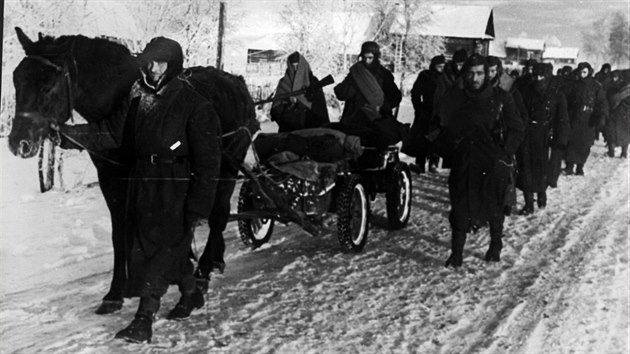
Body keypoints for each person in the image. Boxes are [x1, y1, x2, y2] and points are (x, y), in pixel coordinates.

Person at [59, 37, 221, 343]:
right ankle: (190, 293)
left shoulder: (193, 103)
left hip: (175, 184)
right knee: (155, 245)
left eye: (159, 62)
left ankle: (144, 319)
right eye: (147, 61)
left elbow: (209, 161)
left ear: (172, 66)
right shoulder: (136, 97)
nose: (151, 67)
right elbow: (110, 131)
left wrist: (199, 206)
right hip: (142, 180)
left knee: (160, 249)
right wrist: (67, 135)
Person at [434, 54, 524, 267]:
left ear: (487, 75)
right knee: (459, 207)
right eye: (471, 73)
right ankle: (456, 253)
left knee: (494, 207)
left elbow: (517, 128)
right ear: (464, 74)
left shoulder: (501, 98)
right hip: (464, 161)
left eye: (480, 73)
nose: (475, 78)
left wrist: (504, 154)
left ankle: (495, 245)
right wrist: (448, 148)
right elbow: (440, 124)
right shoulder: (455, 97)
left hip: (492, 162)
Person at [516, 63, 570, 214]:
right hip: (526, 135)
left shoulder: (557, 94)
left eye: (542, 76)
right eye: (536, 75)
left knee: (541, 170)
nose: (538, 79)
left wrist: (561, 139)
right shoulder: (525, 91)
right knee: (526, 169)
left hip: (545, 137)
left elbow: (562, 119)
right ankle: (528, 203)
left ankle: (541, 194)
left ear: (548, 76)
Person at [333, 41, 403, 148]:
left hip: (376, 120)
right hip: (355, 120)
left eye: (370, 58)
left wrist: (382, 107)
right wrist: (352, 89)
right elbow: (341, 94)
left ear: (376, 57)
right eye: (364, 57)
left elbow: (395, 97)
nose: (366, 61)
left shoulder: (384, 75)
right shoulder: (355, 73)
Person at [563, 62, 608, 175]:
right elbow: (565, 100)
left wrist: (600, 116)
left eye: (585, 72)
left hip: (588, 119)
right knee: (571, 142)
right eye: (580, 72)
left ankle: (580, 167)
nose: (582, 74)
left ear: (589, 72)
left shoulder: (596, 86)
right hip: (574, 117)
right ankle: (569, 166)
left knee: (584, 144)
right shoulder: (573, 84)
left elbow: (601, 102)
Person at [404, 54, 446, 173]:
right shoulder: (425, 75)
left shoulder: (445, 78)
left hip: (439, 111)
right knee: (421, 138)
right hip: (425, 111)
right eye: (439, 66)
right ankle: (420, 163)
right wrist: (418, 108)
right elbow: (416, 93)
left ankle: (434, 163)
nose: (441, 69)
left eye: (443, 66)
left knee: (436, 136)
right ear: (433, 66)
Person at [270, 51, 329, 132]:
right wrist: (287, 103)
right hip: (289, 128)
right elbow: (276, 108)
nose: (295, 69)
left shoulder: (313, 81)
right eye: (292, 66)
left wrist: (301, 103)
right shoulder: (283, 82)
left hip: (310, 126)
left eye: (297, 66)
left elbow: (320, 107)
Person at [604, 70, 630, 158]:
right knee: (620, 133)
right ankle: (620, 152)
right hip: (621, 114)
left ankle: (617, 152)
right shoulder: (621, 87)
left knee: (615, 133)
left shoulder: (620, 88)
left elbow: (612, 99)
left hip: (619, 113)